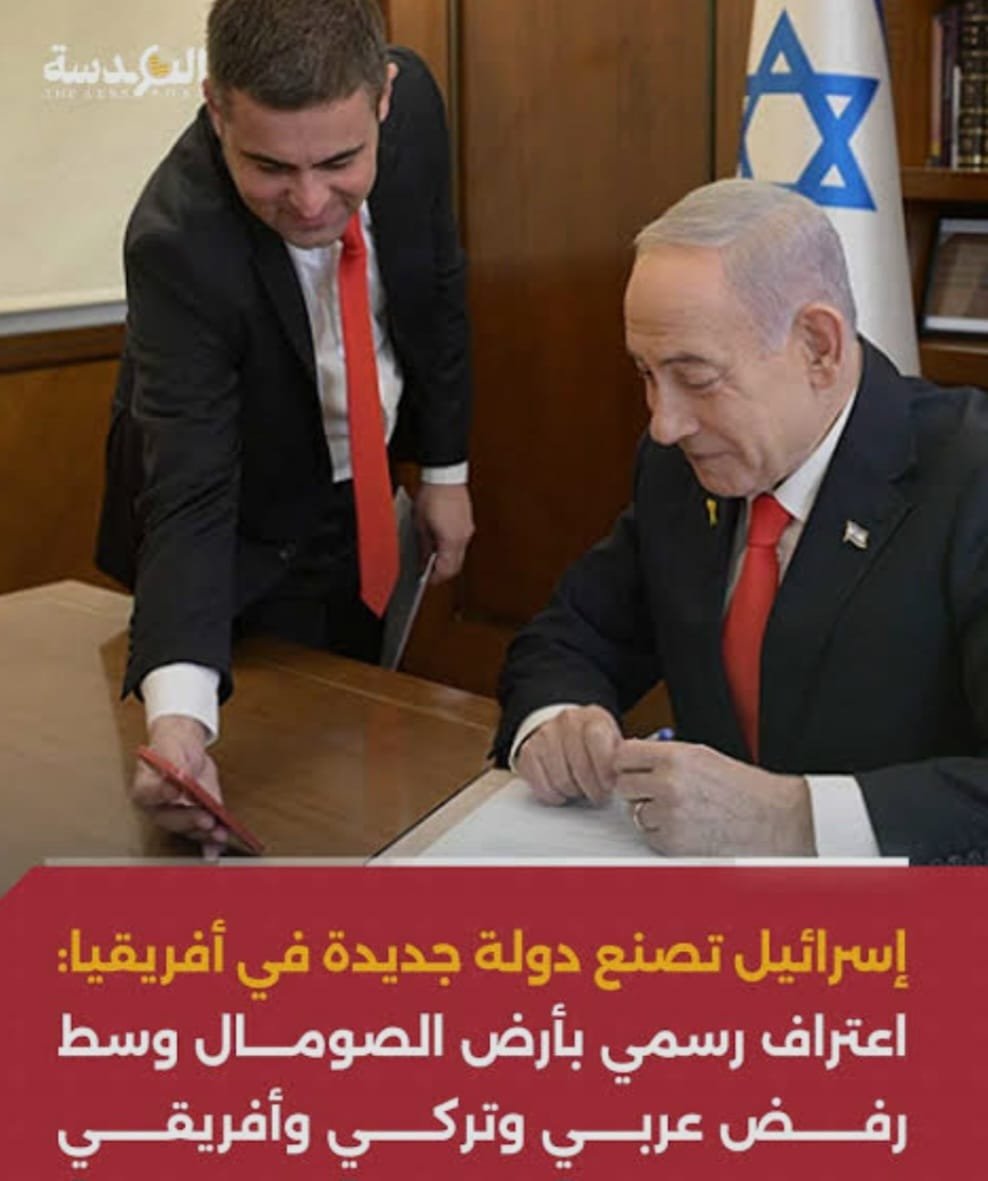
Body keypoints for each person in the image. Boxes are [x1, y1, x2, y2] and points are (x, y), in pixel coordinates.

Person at [494, 177, 988, 864]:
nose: (664, 423)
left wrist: (793, 818)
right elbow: (572, 635)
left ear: (817, 345)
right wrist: (558, 722)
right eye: (646, 374)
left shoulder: (970, 478)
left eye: (696, 378)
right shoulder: (682, 466)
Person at [96, 0, 473, 843]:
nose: (308, 202)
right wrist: (178, 728)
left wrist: (446, 470)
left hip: (365, 489)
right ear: (215, 107)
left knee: (365, 736)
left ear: (383, 96)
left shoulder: (416, 108)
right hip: (237, 523)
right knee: (286, 775)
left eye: (340, 161)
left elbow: (437, 280)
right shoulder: (177, 239)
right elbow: (190, 488)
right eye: (268, 166)